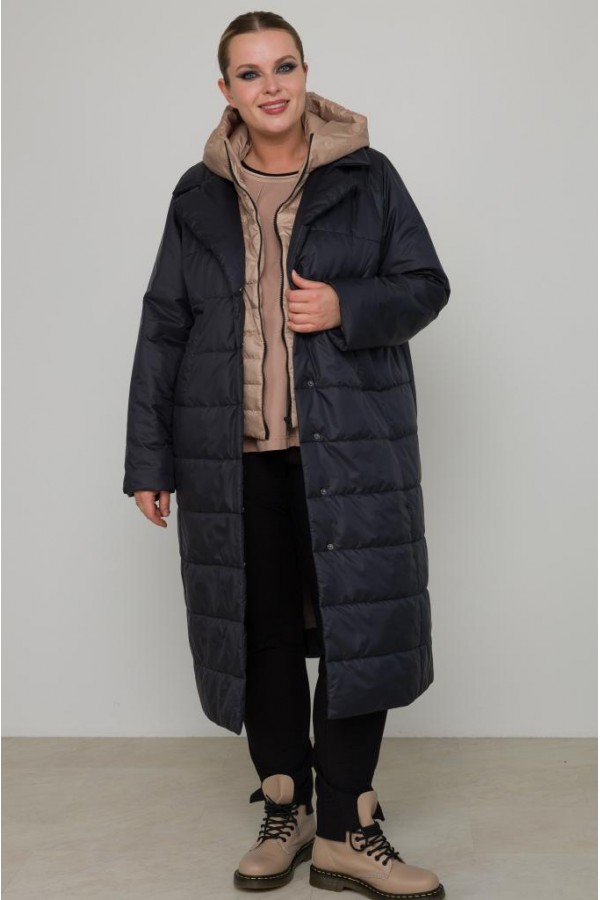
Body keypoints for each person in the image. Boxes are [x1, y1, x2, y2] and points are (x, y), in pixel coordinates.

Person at [123, 11, 450, 899]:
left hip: (350, 451)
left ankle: (348, 825)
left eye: (285, 66)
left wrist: (347, 305)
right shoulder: (197, 196)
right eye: (250, 72)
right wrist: (150, 460)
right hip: (230, 458)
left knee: (357, 631)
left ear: (306, 74)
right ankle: (287, 806)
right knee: (258, 628)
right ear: (225, 90)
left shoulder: (368, 178)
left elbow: (426, 284)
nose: (271, 86)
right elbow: (164, 326)